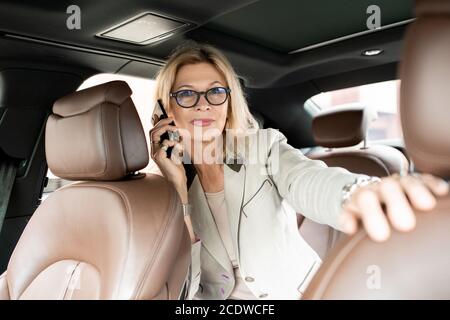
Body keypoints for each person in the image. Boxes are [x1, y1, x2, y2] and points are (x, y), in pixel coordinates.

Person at [149, 42, 449, 300]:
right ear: (167, 110)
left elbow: (307, 180)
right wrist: (176, 188)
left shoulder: (262, 148)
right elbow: (186, 290)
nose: (204, 105)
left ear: (228, 103)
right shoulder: (176, 193)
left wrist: (359, 194)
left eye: (215, 92)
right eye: (187, 94)